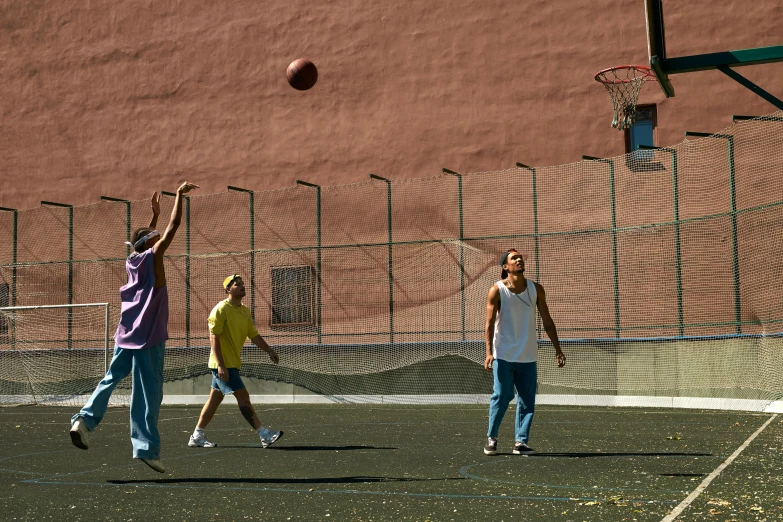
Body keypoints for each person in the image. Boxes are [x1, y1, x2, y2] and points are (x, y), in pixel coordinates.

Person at [69, 182, 200, 473]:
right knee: (148, 393)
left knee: (109, 379)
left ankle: (84, 420)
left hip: (124, 334)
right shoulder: (156, 261)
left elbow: (142, 240)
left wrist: (153, 215)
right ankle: (145, 448)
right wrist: (178, 197)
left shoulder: (132, 261)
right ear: (152, 246)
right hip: (148, 338)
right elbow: (173, 226)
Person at [483, 248, 566, 456]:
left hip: (528, 355)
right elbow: (489, 324)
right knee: (502, 395)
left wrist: (558, 349)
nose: (519, 260)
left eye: (520, 257)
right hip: (503, 353)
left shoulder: (535, 289)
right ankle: (492, 438)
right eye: (514, 258)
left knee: (527, 399)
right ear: (505, 266)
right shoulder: (497, 290)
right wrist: (489, 352)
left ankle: (521, 442)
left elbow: (547, 321)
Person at [187, 274, 283, 448]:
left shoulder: (244, 311)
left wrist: (269, 350)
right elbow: (213, 338)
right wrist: (221, 366)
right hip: (223, 364)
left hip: (231, 364)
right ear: (228, 289)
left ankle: (197, 435)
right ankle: (264, 434)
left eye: (242, 284)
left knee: (214, 400)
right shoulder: (220, 309)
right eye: (237, 284)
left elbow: (253, 335)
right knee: (243, 397)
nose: (242, 286)